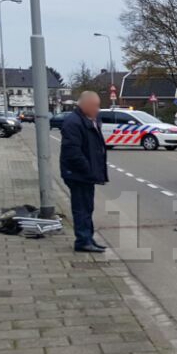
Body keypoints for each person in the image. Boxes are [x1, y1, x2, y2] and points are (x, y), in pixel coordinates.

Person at [60, 91, 109, 253]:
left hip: (86, 174)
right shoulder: (73, 123)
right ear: (86, 105)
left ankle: (88, 238)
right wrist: (88, 169)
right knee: (81, 208)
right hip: (78, 174)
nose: (98, 109)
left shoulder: (91, 119)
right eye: (96, 105)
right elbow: (73, 152)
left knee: (87, 207)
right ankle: (82, 240)